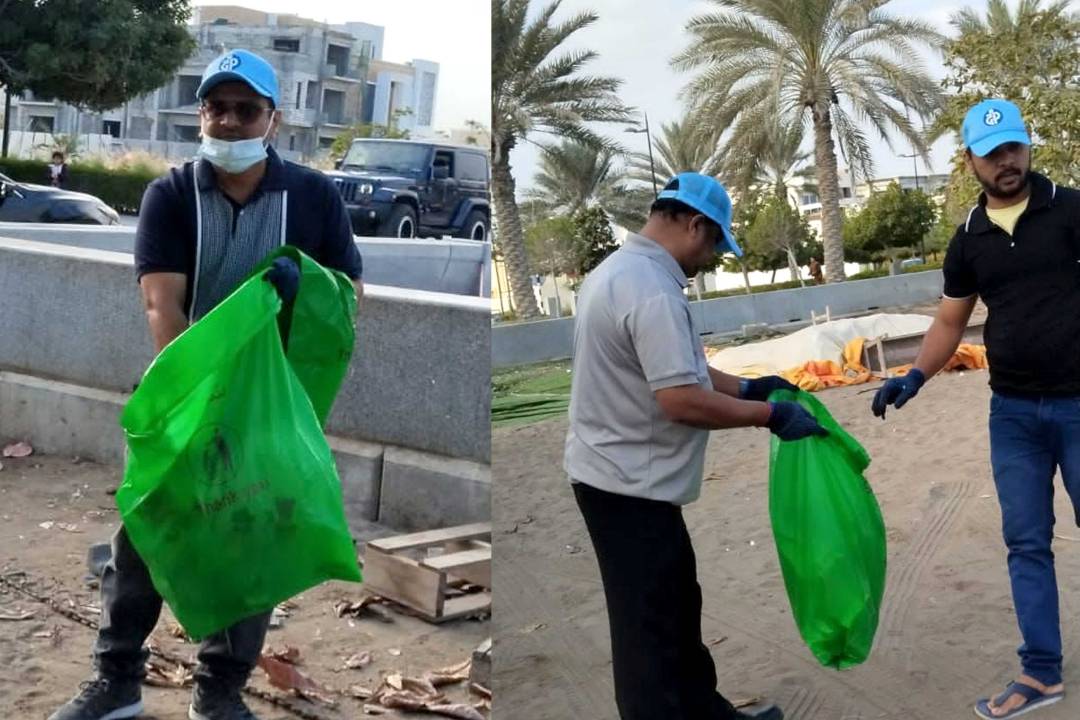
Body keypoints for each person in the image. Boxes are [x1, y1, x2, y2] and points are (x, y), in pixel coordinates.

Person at [50, 48, 363, 720]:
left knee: (252, 542)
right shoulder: (171, 196)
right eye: (216, 107)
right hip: (183, 401)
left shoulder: (312, 199)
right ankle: (117, 681)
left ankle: (218, 692)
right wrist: (198, 409)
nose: (228, 121)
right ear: (202, 114)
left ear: (272, 120)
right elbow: (163, 306)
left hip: (268, 414)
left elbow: (349, 295)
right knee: (146, 535)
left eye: (245, 109)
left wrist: (304, 285)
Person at [565, 172, 828, 720]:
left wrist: (751, 386)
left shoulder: (619, 273)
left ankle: (708, 712)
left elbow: (682, 370)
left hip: (619, 476)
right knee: (649, 629)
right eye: (713, 244)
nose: (709, 258)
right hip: (628, 484)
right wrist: (769, 416)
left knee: (674, 607)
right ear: (693, 224)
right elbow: (682, 400)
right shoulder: (652, 290)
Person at [872, 98, 1080, 720]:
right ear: (970, 162)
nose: (1005, 161)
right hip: (1012, 415)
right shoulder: (968, 239)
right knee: (1025, 541)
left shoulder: (1072, 210)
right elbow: (949, 320)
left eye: (1013, 148)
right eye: (991, 154)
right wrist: (914, 376)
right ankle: (1041, 674)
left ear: (1027, 148)